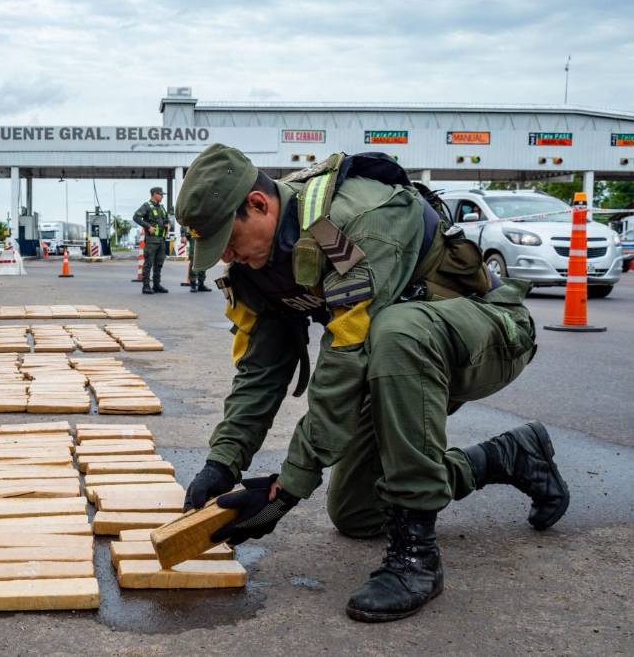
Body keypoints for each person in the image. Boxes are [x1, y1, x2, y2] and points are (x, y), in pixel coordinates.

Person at [175, 144, 569, 623]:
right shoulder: (257, 267)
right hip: (399, 363)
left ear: (258, 204)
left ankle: (417, 559)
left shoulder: (354, 221)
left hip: (484, 338)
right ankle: (508, 456)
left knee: (395, 332)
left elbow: (346, 358)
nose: (228, 257)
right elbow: (260, 371)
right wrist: (223, 462)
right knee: (357, 513)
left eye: (229, 240)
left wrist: (288, 487)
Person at [133, 186, 170, 294]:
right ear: (154, 194)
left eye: (162, 194)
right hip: (151, 240)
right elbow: (136, 217)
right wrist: (148, 226)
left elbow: (166, 220)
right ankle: (146, 286)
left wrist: (168, 224)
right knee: (148, 263)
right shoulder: (147, 206)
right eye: (161, 194)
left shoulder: (162, 207)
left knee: (159, 264)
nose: (162, 196)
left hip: (161, 240)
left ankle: (157, 285)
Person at [182, 226, 212, 293]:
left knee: (203, 261)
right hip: (194, 231)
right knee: (194, 260)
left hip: (204, 234)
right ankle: (193, 285)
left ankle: (201, 284)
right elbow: (185, 222)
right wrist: (183, 235)